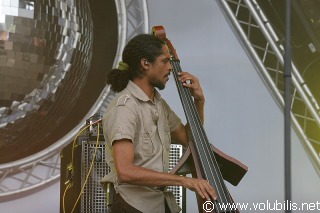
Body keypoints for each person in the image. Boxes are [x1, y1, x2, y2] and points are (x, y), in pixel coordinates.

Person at [101, 34, 216, 213]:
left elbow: (188, 139)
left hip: (158, 204)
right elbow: (125, 171)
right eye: (165, 61)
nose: (171, 67)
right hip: (133, 207)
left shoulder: (159, 104)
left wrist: (199, 102)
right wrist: (184, 181)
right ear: (145, 64)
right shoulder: (124, 108)